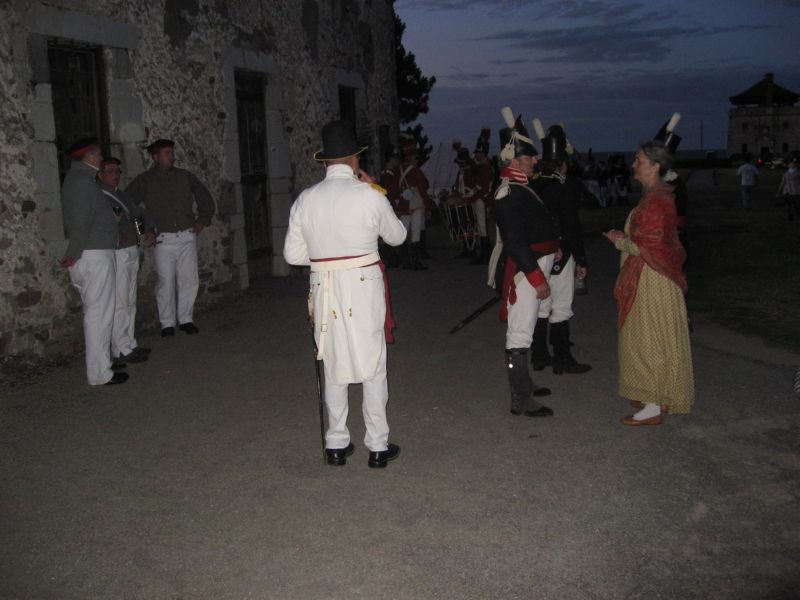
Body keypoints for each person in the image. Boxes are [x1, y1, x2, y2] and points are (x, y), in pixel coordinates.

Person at [283, 120, 407, 468]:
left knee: (332, 360)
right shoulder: (369, 195)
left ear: (325, 162)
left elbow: (292, 255)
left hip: (324, 285)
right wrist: (376, 189)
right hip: (364, 283)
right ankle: (377, 446)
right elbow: (397, 236)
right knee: (373, 364)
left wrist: (326, 258)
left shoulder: (306, 199)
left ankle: (336, 443)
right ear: (355, 160)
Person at [603, 140, 694, 426]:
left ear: (655, 166)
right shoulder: (657, 196)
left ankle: (652, 406)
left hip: (651, 278)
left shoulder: (656, 201)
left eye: (639, 160)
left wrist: (619, 240)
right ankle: (657, 394)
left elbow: (648, 246)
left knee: (647, 338)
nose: (634, 164)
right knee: (655, 336)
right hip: (653, 274)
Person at [492, 108, 557, 418]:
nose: (535, 160)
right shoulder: (507, 192)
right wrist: (535, 276)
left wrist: (553, 248)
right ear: (515, 161)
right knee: (519, 332)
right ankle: (519, 398)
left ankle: (525, 382)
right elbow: (516, 241)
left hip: (537, 262)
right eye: (529, 157)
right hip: (524, 271)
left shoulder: (520, 188)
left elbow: (533, 226)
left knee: (527, 327)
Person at [126, 139, 215, 336]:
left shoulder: (184, 176)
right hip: (163, 239)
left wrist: (202, 220)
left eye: (171, 152)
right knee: (165, 281)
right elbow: (128, 206)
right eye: (167, 153)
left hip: (186, 235)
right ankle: (167, 323)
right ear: (155, 157)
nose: (171, 157)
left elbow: (204, 196)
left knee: (189, 279)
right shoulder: (144, 181)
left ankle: (186, 319)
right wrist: (143, 231)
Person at [59, 138, 128, 386]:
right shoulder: (81, 182)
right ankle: (100, 373)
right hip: (94, 255)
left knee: (102, 312)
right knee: (99, 314)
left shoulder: (85, 181)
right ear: (88, 156)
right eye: (98, 155)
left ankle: (103, 362)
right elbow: (80, 223)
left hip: (97, 252)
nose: (101, 159)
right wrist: (73, 253)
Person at [529, 125, 591, 375]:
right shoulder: (563, 188)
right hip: (561, 253)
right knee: (561, 305)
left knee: (542, 305)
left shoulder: (533, 185)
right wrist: (582, 259)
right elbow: (571, 227)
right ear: (563, 165)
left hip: (538, 254)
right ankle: (562, 358)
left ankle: (539, 355)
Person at [97, 157, 154, 364]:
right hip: (118, 252)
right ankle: (120, 348)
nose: (115, 175)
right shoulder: (99, 196)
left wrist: (145, 232)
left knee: (130, 300)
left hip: (130, 248)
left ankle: (129, 342)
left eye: (117, 171)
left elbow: (137, 215)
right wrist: (116, 233)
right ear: (100, 174)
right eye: (110, 171)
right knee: (120, 302)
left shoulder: (121, 195)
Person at [396, 137, 431, 270]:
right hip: (415, 204)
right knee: (416, 232)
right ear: (412, 157)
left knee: (404, 232)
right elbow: (424, 187)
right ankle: (415, 261)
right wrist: (428, 206)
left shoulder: (399, 169)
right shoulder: (415, 171)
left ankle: (405, 260)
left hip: (404, 205)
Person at [776, 156, 800, 221]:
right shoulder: (786, 173)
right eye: (790, 163)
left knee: (796, 204)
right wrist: (779, 191)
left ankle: (796, 213)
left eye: (793, 163)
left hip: (796, 192)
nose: (791, 165)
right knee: (789, 204)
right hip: (787, 191)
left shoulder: (798, 172)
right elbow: (783, 182)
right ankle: (790, 215)